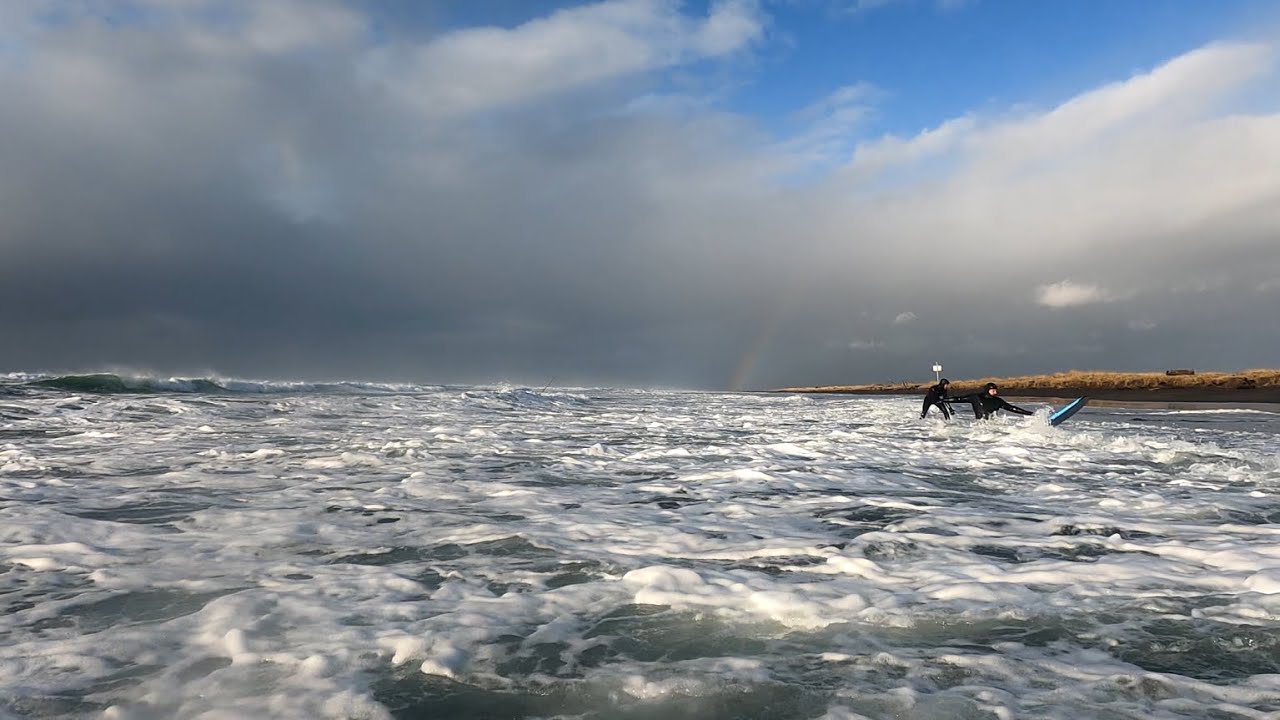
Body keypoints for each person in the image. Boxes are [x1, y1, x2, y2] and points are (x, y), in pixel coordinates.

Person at [948, 382, 1034, 420]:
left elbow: (1012, 408)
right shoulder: (976, 397)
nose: (995, 392)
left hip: (991, 425)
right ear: (987, 390)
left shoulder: (997, 401)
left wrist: (1029, 413)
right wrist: (943, 400)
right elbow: (958, 399)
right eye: (993, 390)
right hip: (979, 425)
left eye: (996, 390)